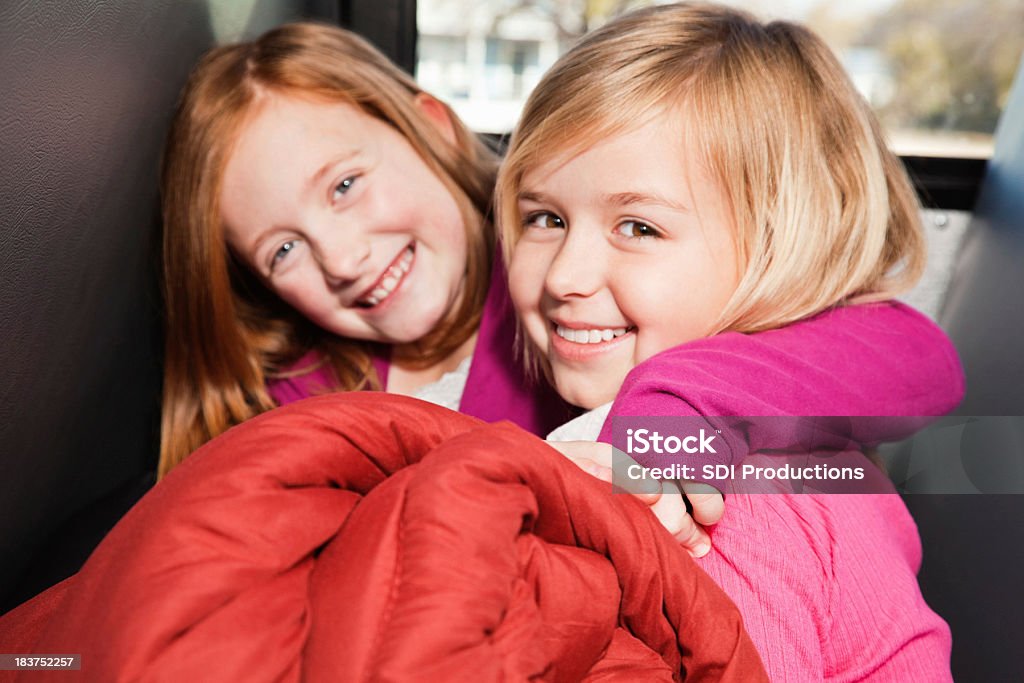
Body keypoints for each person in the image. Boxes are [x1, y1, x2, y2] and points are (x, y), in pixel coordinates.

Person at [498, 2, 956, 679]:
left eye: (639, 227)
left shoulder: (720, 506)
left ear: (783, 248)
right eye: (544, 217)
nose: (564, 275)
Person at [158, 22, 571, 479]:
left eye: (344, 186)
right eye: (284, 250)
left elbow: (659, 437)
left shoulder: (570, 287)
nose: (340, 261)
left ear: (431, 130)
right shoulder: (302, 408)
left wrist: (629, 473)